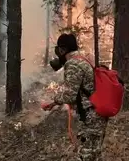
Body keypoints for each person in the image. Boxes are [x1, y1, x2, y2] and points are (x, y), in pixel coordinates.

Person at [44, 33, 107, 161]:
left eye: (59, 50)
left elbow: (70, 95)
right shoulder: (83, 59)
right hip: (97, 114)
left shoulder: (73, 64)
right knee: (95, 154)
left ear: (62, 49)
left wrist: (53, 101)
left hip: (90, 116)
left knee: (86, 155)